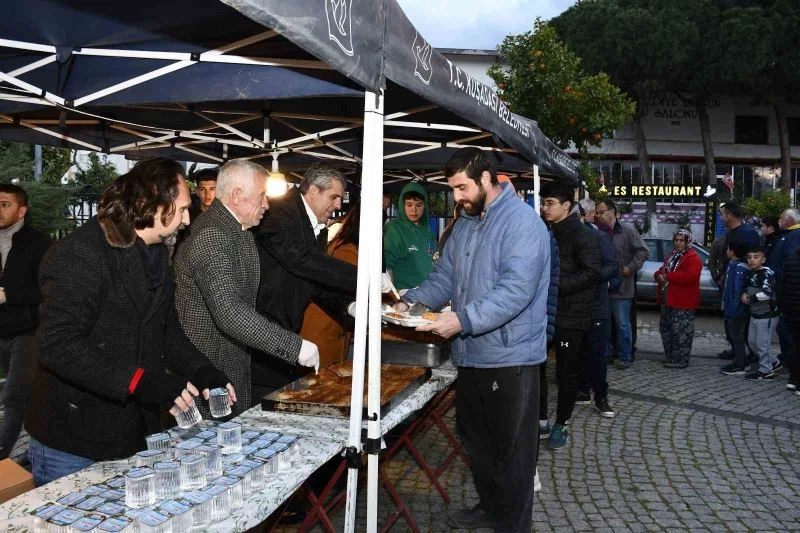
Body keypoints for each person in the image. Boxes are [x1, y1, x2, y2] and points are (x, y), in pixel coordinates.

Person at [25, 158, 235, 486]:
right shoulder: (81, 252)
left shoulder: (157, 255)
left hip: (133, 433)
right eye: (180, 209)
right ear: (149, 203)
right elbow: (58, 344)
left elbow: (166, 330)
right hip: (74, 439)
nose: (187, 218)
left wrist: (201, 369)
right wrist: (138, 382)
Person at [398, 147, 549, 532]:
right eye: (452, 189)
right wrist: (409, 302)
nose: (457, 197)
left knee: (512, 451)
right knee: (478, 443)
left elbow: (516, 291)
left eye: (462, 188)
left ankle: (513, 525)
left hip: (511, 357)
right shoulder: (465, 222)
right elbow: (444, 278)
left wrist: (462, 320)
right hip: (471, 354)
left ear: (486, 179)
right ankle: (491, 507)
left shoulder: (523, 223)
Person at [174, 159, 319, 414]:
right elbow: (230, 312)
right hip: (209, 375)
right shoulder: (213, 235)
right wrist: (294, 347)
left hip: (228, 369)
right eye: (262, 196)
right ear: (237, 195)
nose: (266, 204)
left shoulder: (236, 231)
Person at [255, 164, 389, 394]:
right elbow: (300, 260)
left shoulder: (314, 223)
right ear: (313, 191)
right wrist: (364, 277)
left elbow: (314, 282)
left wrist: (347, 306)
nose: (338, 205)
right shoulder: (277, 211)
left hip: (287, 327)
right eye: (334, 197)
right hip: (262, 327)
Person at [540, 184, 600, 450]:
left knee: (566, 372)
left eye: (550, 203)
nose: (545, 208)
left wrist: (556, 285)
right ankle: (541, 418)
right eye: (544, 203)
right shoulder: (544, 231)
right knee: (537, 367)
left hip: (572, 316)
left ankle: (561, 423)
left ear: (567, 206)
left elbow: (592, 273)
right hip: (545, 313)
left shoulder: (584, 235)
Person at [0, 184, 50, 459]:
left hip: (27, 331)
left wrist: (9, 296)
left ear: (22, 210)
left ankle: (3, 455)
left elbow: (48, 289)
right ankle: (36, 445)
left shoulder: (39, 244)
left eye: (5, 204)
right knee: (24, 396)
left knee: (14, 396)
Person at [299, 203, 360, 368]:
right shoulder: (347, 250)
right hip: (326, 328)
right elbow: (341, 291)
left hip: (332, 327)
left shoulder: (346, 246)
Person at [575, 199, 619, 417]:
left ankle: (601, 396)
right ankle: (581, 390)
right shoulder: (562, 238)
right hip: (572, 306)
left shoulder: (600, 237)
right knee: (575, 352)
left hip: (596, 306)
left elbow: (613, 267)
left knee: (597, 354)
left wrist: (591, 278)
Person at [595, 199, 649, 369]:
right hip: (604, 286)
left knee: (623, 324)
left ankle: (626, 356)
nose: (599, 215)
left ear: (612, 212)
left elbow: (643, 251)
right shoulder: (598, 231)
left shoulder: (627, 231)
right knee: (606, 325)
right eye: (597, 212)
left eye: (601, 211)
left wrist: (630, 267)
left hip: (623, 288)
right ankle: (608, 354)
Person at [654, 229, 702, 369]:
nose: (678, 243)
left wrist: (668, 276)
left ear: (687, 241)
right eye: (676, 240)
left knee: (681, 332)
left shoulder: (692, 257)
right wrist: (658, 275)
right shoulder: (673, 255)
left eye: (682, 240)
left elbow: (690, 277)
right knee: (667, 329)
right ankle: (671, 356)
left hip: (683, 302)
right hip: (668, 300)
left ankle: (681, 360)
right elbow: (663, 269)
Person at [384, 182, 436, 290]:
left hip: (427, 294)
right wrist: (393, 297)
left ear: (425, 206)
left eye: (419, 205)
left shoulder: (427, 230)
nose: (414, 210)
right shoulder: (394, 229)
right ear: (402, 205)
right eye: (409, 205)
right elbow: (386, 267)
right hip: (403, 295)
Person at [741, 246, 779, 381]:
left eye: (756, 257)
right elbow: (749, 287)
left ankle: (766, 371)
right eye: (749, 257)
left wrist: (750, 299)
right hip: (754, 314)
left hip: (766, 315)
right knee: (752, 343)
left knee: (762, 344)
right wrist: (745, 293)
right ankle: (773, 362)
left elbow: (767, 294)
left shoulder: (767, 273)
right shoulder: (751, 272)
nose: (752, 260)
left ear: (763, 260)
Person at [720, 242, 751, 375]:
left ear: (732, 252)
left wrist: (731, 310)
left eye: (727, 249)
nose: (726, 251)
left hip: (736, 310)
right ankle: (741, 360)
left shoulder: (739, 268)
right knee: (735, 335)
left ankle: (740, 364)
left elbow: (736, 291)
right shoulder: (734, 265)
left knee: (736, 335)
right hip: (732, 308)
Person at [780, 246, 800, 393]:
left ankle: (793, 379)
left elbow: (783, 286)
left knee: (795, 345)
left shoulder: (790, 259)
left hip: (791, 310)